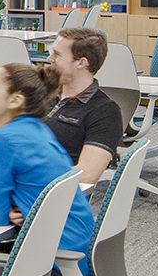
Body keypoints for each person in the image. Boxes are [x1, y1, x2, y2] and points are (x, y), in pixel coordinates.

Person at [0, 60, 99, 276]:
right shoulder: (39, 130)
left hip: (52, 275)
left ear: (15, 100)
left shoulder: (3, 139)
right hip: (78, 266)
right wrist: (18, 204)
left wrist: (7, 210)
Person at [42, 25, 124, 187]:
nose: (49, 59)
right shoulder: (43, 94)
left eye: (57, 54)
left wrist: (27, 178)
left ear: (81, 62)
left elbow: (87, 174)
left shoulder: (105, 112)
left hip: (50, 193)